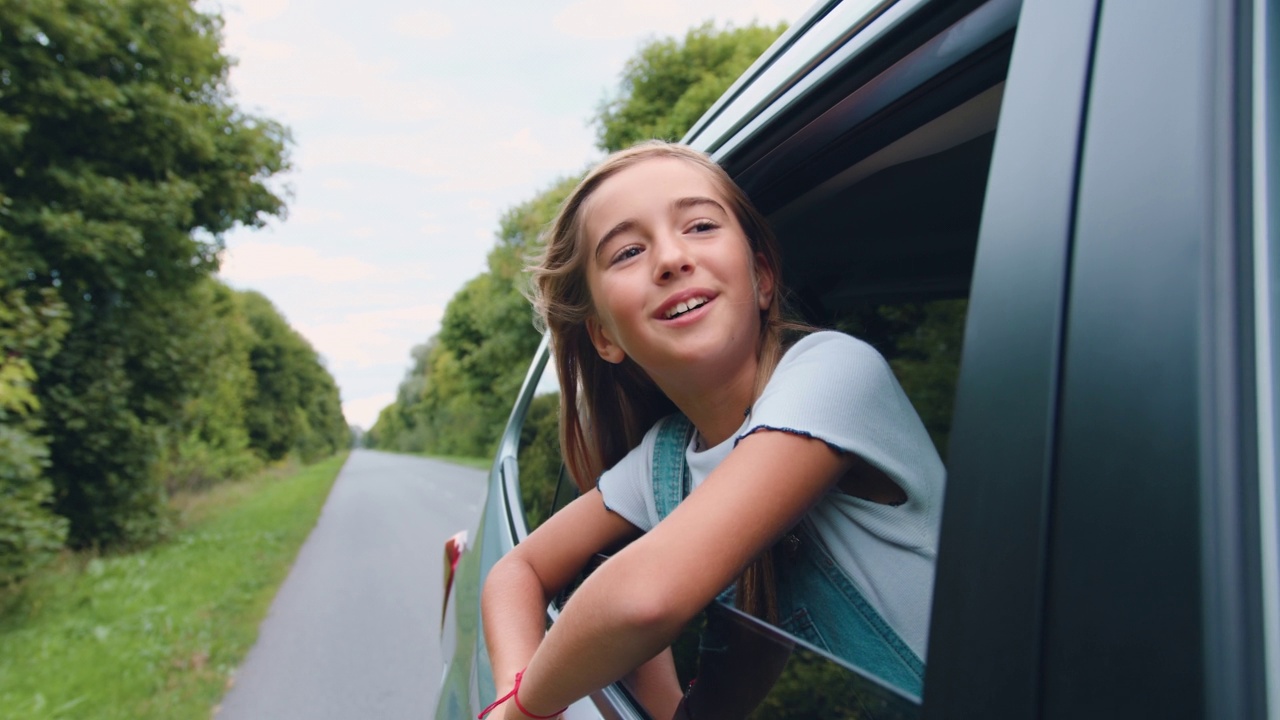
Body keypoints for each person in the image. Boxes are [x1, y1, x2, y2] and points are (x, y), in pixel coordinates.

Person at [479, 141, 945, 720]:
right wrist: (510, 692)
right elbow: (515, 571)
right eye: (627, 252)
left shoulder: (834, 371)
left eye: (699, 225)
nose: (671, 258)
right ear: (603, 337)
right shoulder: (663, 462)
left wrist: (522, 711)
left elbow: (645, 597)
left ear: (763, 276)